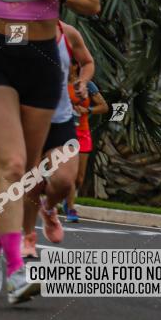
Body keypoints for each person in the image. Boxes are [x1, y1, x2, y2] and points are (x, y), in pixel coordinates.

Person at [0, 0, 100, 304]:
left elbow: (93, 1)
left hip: (43, 65)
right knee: (11, 165)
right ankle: (15, 269)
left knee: (27, 175)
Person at [21, 20, 95, 258]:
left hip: (61, 119)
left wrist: (82, 82)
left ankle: (50, 208)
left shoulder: (68, 33)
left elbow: (87, 62)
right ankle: (28, 238)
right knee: (31, 182)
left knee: (64, 181)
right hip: (28, 119)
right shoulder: (19, 29)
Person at [63, 63, 106, 223]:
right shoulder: (58, 82)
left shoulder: (87, 85)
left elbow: (104, 107)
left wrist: (88, 111)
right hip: (64, 133)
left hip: (83, 133)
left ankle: (67, 201)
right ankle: (72, 209)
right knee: (69, 174)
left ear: (75, 66)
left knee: (79, 178)